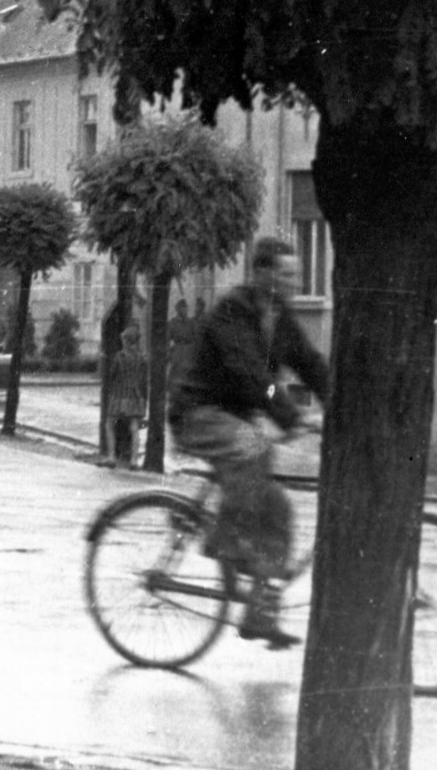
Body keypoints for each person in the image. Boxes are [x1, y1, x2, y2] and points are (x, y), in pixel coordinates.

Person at [170, 237, 330, 649]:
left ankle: (259, 616)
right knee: (255, 446)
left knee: (278, 510)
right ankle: (228, 543)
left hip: (234, 422)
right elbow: (250, 375)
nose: (293, 283)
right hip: (198, 413)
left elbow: (311, 365)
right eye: (286, 275)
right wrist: (291, 415)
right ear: (261, 274)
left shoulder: (281, 318)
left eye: (296, 276)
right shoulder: (233, 310)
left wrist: (346, 406)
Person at [105, 322, 148, 469]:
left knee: (110, 423)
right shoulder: (141, 358)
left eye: (123, 339)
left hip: (119, 395)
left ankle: (111, 456)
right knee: (134, 426)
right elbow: (143, 378)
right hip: (135, 395)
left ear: (127, 341)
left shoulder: (119, 357)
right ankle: (134, 460)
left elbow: (112, 374)